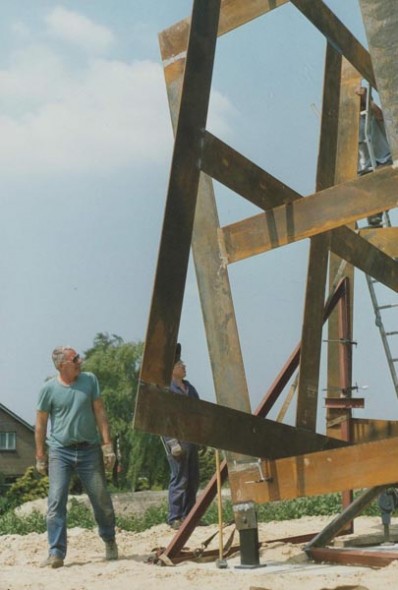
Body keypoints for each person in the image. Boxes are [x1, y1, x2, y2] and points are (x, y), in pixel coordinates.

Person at [35, 346, 118, 568]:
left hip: (89, 450)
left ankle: (109, 539)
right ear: (63, 365)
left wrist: (107, 445)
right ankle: (56, 552)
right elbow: (41, 423)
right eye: (75, 359)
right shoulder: (48, 389)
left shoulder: (89, 380)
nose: (80, 361)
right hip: (60, 451)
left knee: (100, 497)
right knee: (56, 500)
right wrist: (40, 455)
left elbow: (100, 412)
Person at [163, 344, 200, 530]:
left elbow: (200, 412)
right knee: (180, 478)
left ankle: (190, 515)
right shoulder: (167, 389)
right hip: (176, 439)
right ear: (171, 369)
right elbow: (164, 418)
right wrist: (171, 441)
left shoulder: (190, 388)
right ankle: (175, 517)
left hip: (191, 438)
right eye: (180, 364)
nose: (184, 366)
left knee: (193, 478)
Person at [355, 84, 393, 227]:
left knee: (381, 184)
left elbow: (380, 115)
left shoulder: (372, 117)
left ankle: (377, 213)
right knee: (366, 189)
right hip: (365, 169)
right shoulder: (351, 122)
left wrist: (366, 99)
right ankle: (374, 218)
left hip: (384, 162)